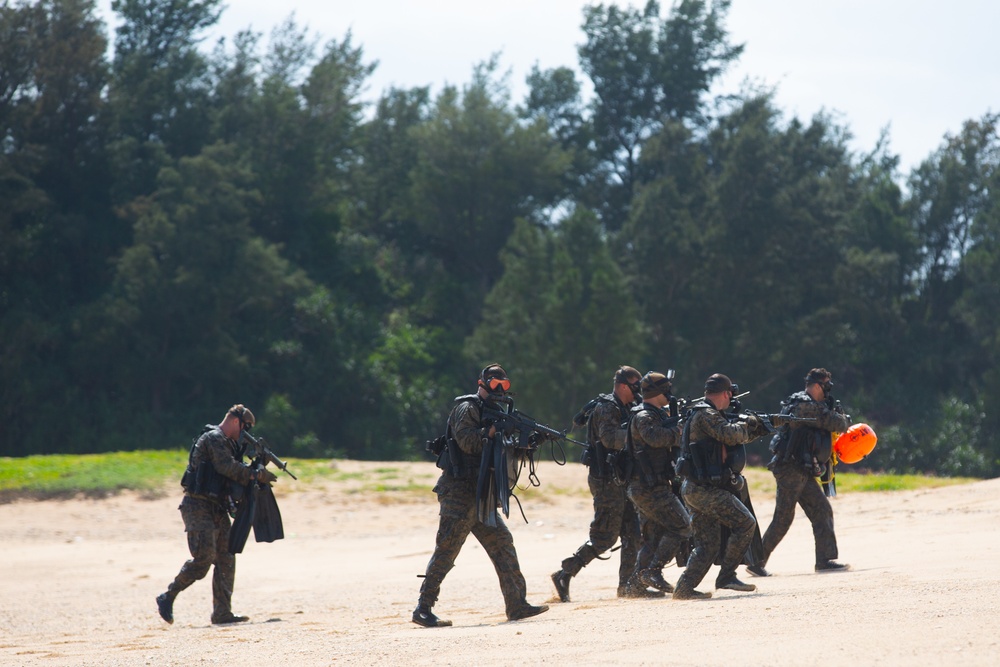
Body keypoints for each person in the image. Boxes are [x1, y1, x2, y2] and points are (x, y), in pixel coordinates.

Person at [413, 364, 549, 627]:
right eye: (495, 383)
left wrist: (530, 442)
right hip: (459, 493)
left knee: (503, 545)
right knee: (447, 550)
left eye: (504, 384)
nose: (499, 389)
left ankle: (517, 605)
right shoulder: (468, 408)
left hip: (482, 495)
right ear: (482, 383)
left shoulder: (498, 414)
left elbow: (505, 451)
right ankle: (423, 608)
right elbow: (467, 441)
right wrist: (492, 432)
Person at [156, 404, 278, 625]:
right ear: (234, 421)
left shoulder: (229, 444)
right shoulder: (214, 438)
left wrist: (258, 463)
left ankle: (222, 613)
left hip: (217, 508)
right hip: (198, 506)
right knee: (204, 558)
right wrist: (255, 474)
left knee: (226, 557)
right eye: (244, 428)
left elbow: (235, 471)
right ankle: (168, 596)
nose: (245, 434)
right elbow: (227, 468)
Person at [551, 366, 661, 602]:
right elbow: (610, 439)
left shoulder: (629, 407)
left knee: (633, 534)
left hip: (623, 478)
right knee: (605, 536)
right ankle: (565, 572)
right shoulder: (606, 408)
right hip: (606, 480)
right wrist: (638, 434)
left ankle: (629, 586)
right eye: (634, 387)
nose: (637, 392)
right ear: (622, 386)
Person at [673, 374, 770, 600]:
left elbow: (730, 437)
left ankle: (684, 589)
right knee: (745, 523)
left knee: (708, 544)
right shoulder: (706, 414)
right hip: (704, 489)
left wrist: (757, 428)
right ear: (726, 393)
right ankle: (727, 576)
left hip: (696, 488)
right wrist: (749, 424)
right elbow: (729, 434)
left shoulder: (702, 413)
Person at [751, 368, 852, 576]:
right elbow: (838, 424)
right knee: (783, 518)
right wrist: (841, 417)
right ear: (816, 386)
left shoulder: (807, 403)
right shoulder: (804, 405)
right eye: (826, 387)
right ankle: (756, 562)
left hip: (799, 468)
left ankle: (824, 560)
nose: (827, 392)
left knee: (821, 509)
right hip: (790, 468)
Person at [625, 371, 693, 595]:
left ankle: (635, 587)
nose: (670, 394)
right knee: (682, 526)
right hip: (648, 486)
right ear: (657, 392)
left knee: (653, 537)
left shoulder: (655, 414)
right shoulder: (644, 416)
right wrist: (679, 430)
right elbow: (655, 438)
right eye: (667, 390)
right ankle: (653, 571)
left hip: (651, 484)